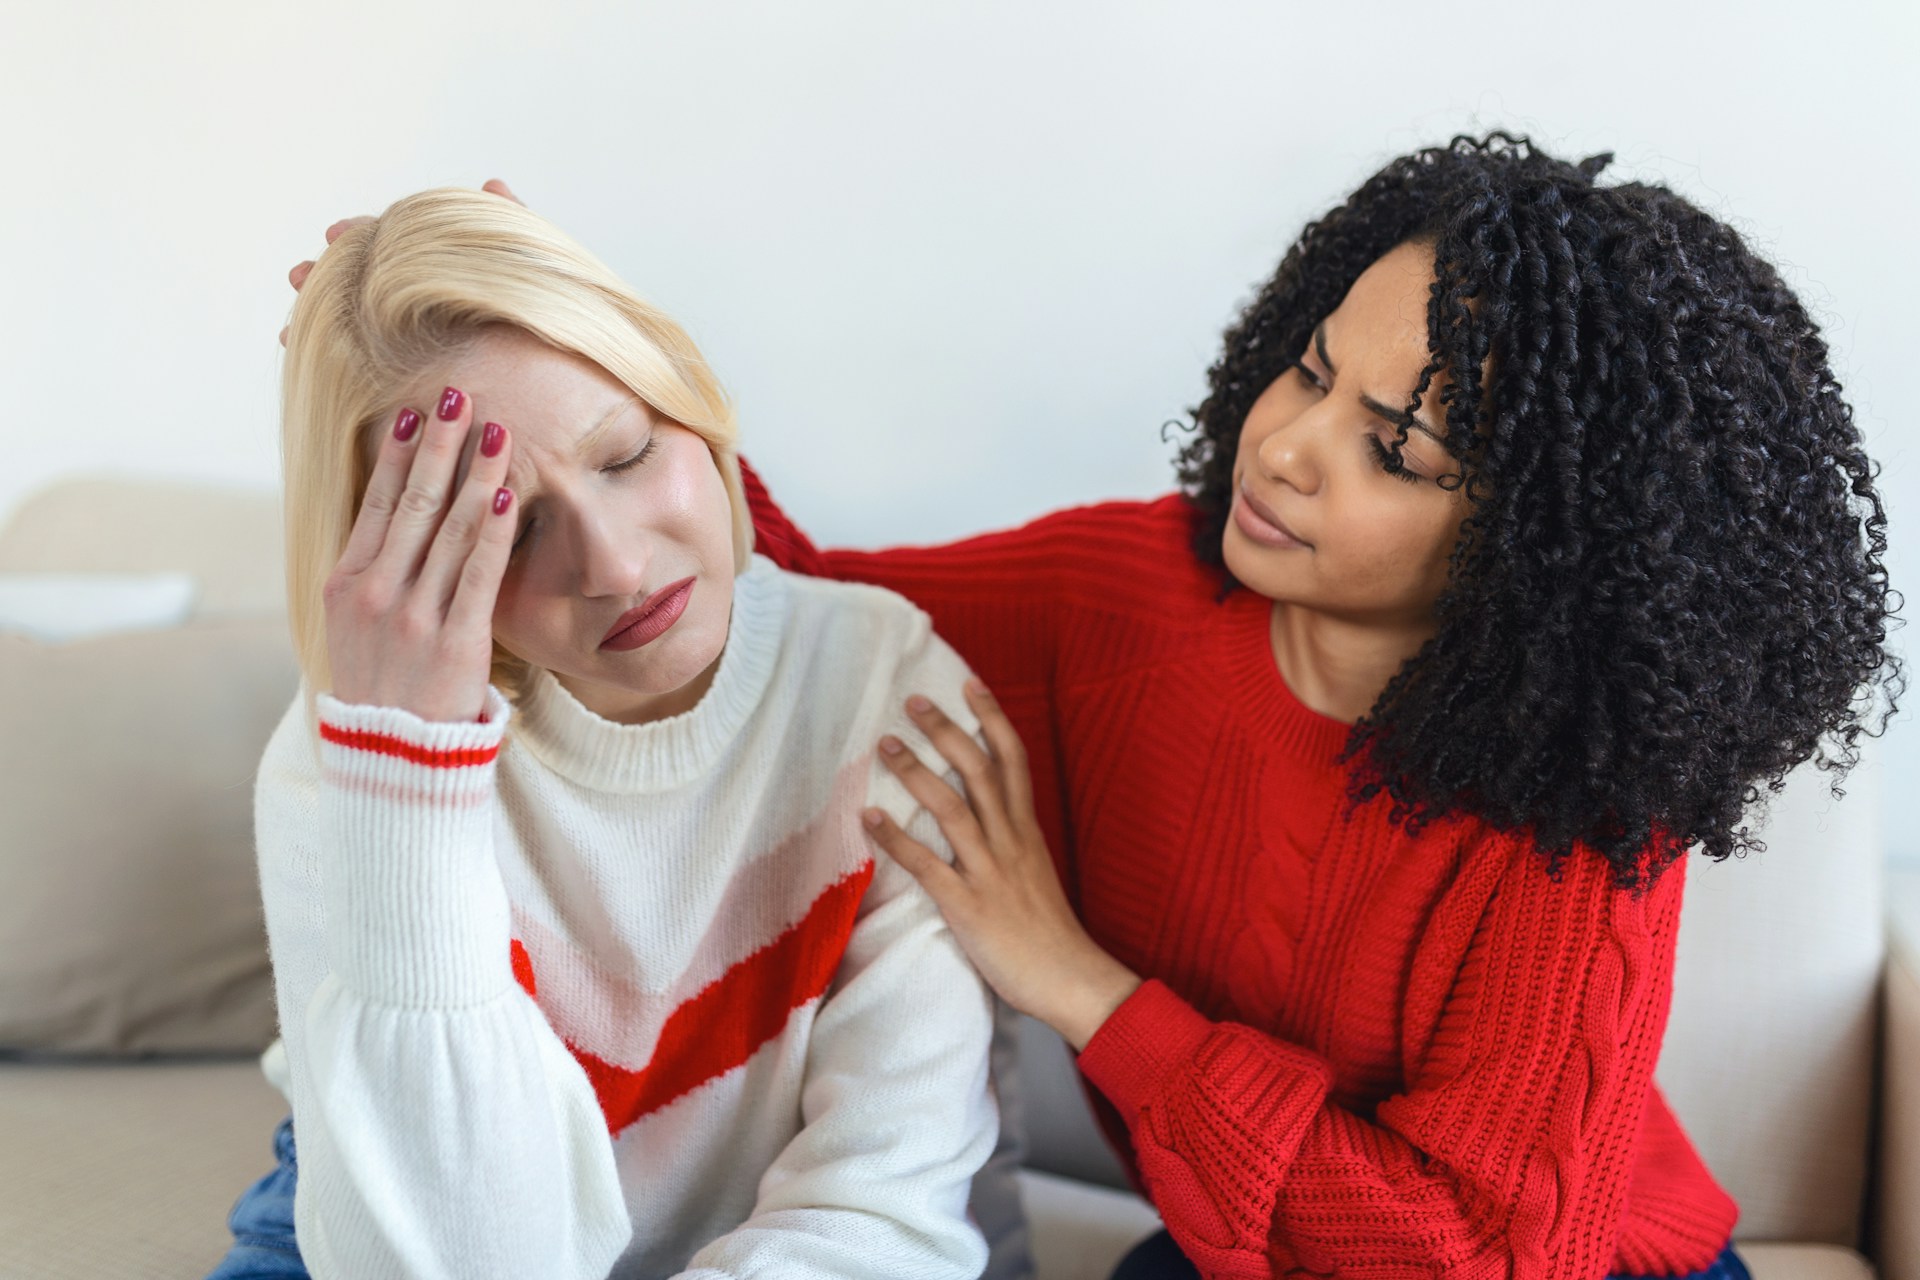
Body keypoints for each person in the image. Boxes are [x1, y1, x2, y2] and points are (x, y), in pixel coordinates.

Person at [271, 133, 1899, 1278]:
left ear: (1545, 540)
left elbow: (1487, 1253)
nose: (1283, 445)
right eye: (1312, 368)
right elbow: (790, 602)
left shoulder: (1583, 804)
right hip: (1234, 1249)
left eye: (1393, 449)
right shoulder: (1129, 593)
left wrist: (1078, 984)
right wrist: (567, 345)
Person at [210, 186, 1026, 1280]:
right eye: (510, 525)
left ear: (690, 404)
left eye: (628, 453)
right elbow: (460, 1261)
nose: (615, 566)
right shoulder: (339, 760)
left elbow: (879, 1211)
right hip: (382, 1209)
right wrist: (404, 773)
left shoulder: (887, 690)